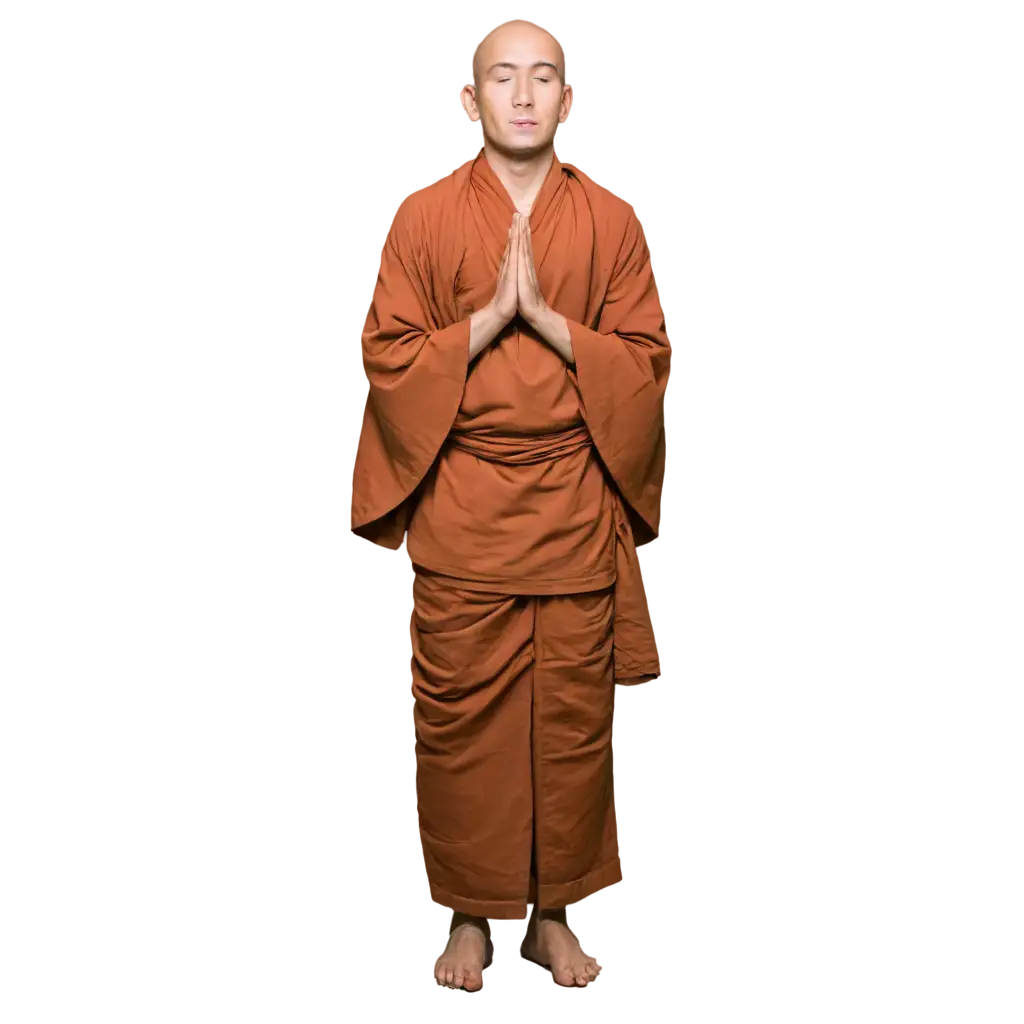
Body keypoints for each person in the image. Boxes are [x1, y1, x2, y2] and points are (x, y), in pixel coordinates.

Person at [348, 14, 670, 991]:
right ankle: (468, 918)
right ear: (467, 98)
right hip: (463, 510)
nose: (522, 95)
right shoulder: (419, 216)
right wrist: (487, 323)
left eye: (542, 79)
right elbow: (386, 356)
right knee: (462, 730)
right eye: (502, 77)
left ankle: (552, 914)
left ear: (568, 102)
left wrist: (553, 327)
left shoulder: (609, 222)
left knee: (570, 726)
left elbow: (646, 366)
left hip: (572, 502)